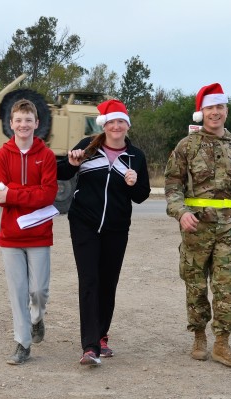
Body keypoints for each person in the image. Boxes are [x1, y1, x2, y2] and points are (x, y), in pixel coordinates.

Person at [164, 83, 231, 367]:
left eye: (220, 107)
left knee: (227, 285)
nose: (215, 113)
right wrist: (180, 212)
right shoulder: (187, 146)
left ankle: (222, 343)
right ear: (202, 112)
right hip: (196, 227)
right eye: (210, 108)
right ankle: (198, 336)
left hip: (230, 228)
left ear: (226, 111)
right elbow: (172, 185)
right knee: (195, 284)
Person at [57, 99, 151, 366]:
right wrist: (73, 163)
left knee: (108, 282)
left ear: (127, 125)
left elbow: (142, 196)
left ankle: (101, 336)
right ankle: (89, 347)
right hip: (84, 224)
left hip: (117, 228)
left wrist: (133, 184)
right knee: (89, 281)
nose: (116, 126)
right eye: (112, 122)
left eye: (121, 121)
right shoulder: (87, 147)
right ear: (104, 125)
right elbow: (60, 172)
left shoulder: (136, 157)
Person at [0, 99, 58, 365]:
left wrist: (13, 194)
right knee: (17, 291)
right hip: (10, 236)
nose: (23, 125)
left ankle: (37, 318)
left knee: (38, 291)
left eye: (28, 120)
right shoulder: (1, 156)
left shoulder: (47, 156)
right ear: (11, 124)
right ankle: (22, 343)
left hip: (39, 234)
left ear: (36, 124)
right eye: (18, 120)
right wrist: (23, 195)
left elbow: (49, 194)